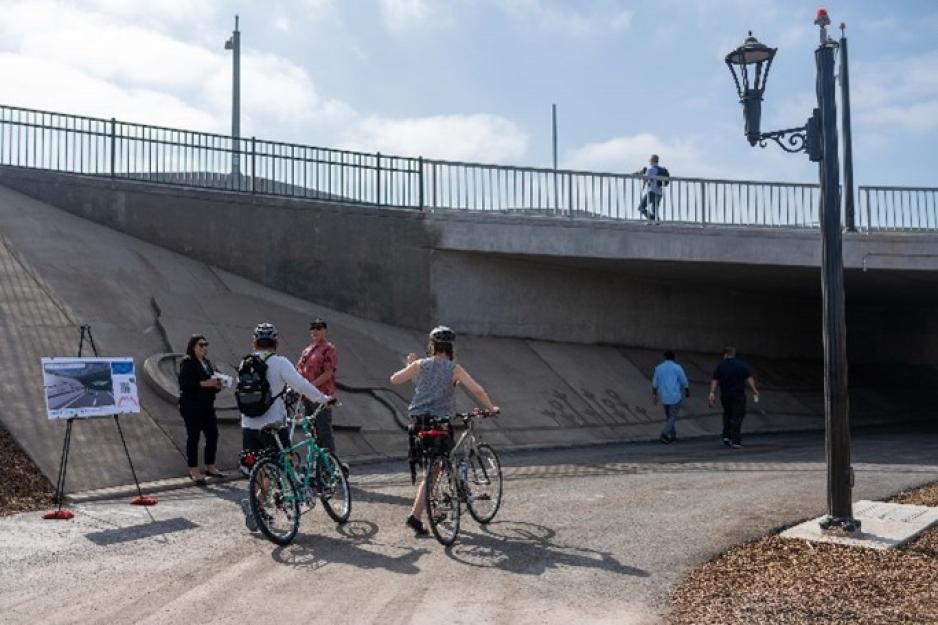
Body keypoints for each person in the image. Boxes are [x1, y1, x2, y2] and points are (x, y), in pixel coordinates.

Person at [389, 325, 499, 537]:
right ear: (450, 348)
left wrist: (411, 366)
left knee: (432, 469)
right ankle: (431, 509)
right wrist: (491, 408)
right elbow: (477, 389)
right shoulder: (454, 368)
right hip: (440, 424)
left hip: (417, 424)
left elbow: (394, 379)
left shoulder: (420, 364)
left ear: (431, 345)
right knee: (441, 466)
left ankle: (422, 513)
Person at [239, 323, 335, 530]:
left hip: (248, 424)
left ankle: (255, 503)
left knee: (259, 468)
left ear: (253, 343)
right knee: (284, 462)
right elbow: (301, 385)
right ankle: (267, 501)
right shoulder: (280, 362)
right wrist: (323, 398)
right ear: (276, 343)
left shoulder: (245, 363)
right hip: (272, 425)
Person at [177, 334, 224, 485]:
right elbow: (185, 385)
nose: (204, 348)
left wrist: (217, 385)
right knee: (194, 436)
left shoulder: (207, 363)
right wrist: (205, 384)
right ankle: (194, 469)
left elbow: (210, 384)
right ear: (193, 347)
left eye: (206, 345)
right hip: (191, 405)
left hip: (207, 405)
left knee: (213, 434)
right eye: (201, 345)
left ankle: (210, 465)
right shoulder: (187, 362)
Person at [296, 318, 338, 456]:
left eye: (319, 328)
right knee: (311, 432)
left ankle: (330, 467)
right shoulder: (307, 350)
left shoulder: (328, 348)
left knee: (323, 430)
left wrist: (310, 386)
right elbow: (298, 370)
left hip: (321, 396)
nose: (315, 331)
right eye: (312, 328)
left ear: (325, 331)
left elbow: (329, 372)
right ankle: (314, 466)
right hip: (306, 397)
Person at [708, 346, 760, 449]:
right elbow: (749, 378)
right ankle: (735, 440)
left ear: (725, 354)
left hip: (725, 395)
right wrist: (754, 390)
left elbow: (714, 380)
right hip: (738, 395)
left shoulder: (720, 365)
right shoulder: (741, 365)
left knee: (727, 414)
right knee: (738, 416)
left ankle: (726, 436)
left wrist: (711, 392)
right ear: (734, 354)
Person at [651, 350, 689, 444]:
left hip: (664, 397)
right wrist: (687, 390)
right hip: (675, 396)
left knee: (669, 417)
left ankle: (673, 435)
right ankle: (664, 434)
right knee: (672, 417)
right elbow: (683, 380)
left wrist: (654, 394)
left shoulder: (658, 368)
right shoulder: (677, 368)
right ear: (674, 358)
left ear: (664, 357)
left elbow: (654, 383)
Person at [636, 154, 667, 221]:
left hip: (652, 191)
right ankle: (656, 221)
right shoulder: (660, 169)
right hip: (659, 193)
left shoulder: (650, 169)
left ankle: (652, 219)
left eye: (650, 161)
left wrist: (643, 185)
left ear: (652, 161)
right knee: (655, 210)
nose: (649, 162)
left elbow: (645, 179)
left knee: (641, 207)